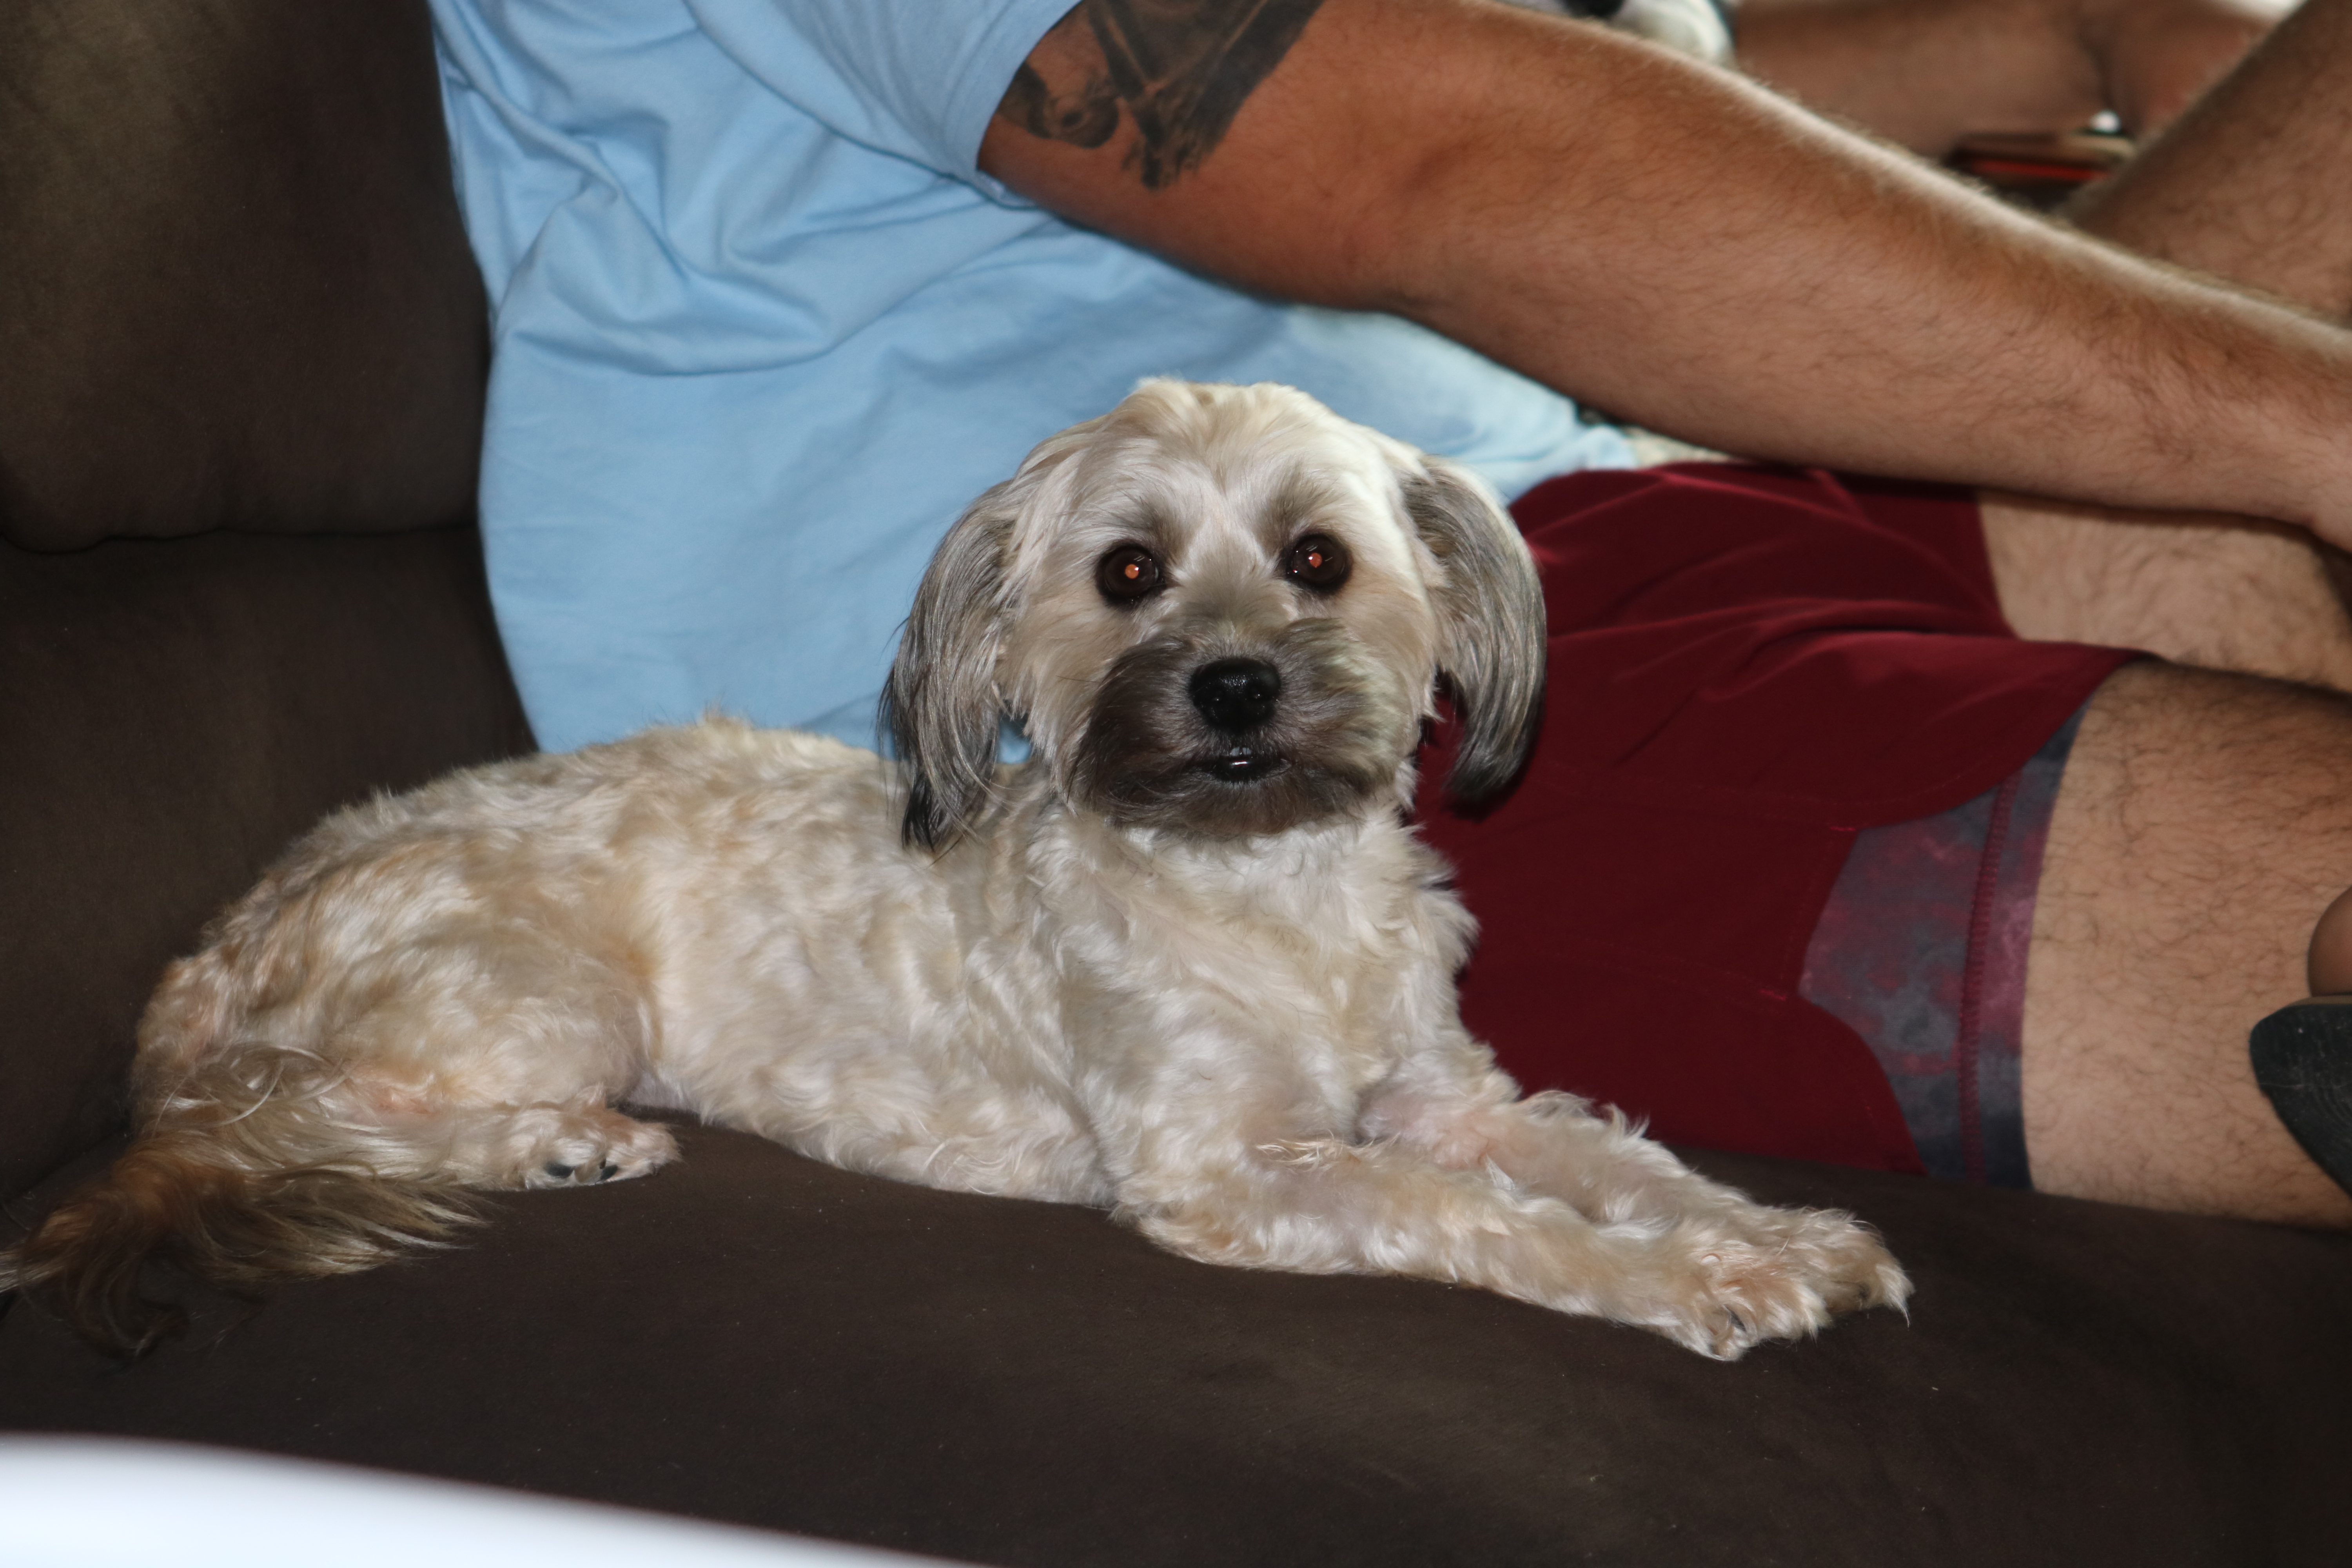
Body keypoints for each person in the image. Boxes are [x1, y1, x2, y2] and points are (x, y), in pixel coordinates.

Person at [425, 0, 2352, 1226]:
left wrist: (2068, 31)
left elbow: (1630, 145)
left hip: (1617, 488)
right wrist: (2315, 425)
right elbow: (1431, 159)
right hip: (1226, 737)